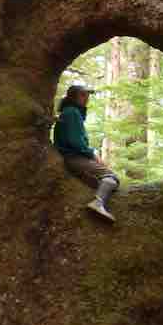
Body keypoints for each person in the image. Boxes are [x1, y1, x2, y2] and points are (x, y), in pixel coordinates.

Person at [53, 82, 120, 223]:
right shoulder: (72, 113)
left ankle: (99, 199)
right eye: (83, 95)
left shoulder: (69, 112)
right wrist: (93, 155)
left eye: (87, 95)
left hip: (71, 157)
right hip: (74, 157)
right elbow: (75, 141)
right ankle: (98, 203)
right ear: (74, 97)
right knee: (111, 177)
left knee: (101, 182)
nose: (87, 98)